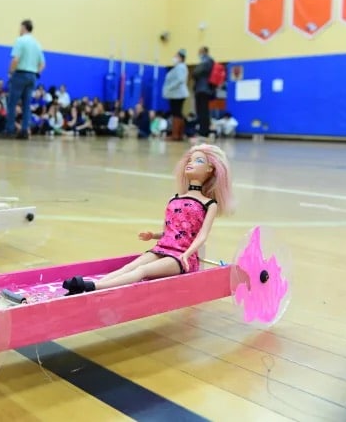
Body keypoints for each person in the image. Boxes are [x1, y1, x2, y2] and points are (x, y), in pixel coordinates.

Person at [62, 144, 233, 295]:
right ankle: (92, 284)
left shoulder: (209, 204)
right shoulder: (174, 198)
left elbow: (202, 237)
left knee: (143, 270)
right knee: (130, 266)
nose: (190, 163)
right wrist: (153, 235)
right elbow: (170, 232)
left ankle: (93, 288)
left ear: (211, 169)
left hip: (181, 257)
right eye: (190, 160)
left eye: (198, 161)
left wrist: (187, 254)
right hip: (162, 248)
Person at [0, 19, 45, 140]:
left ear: (24, 27)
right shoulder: (37, 44)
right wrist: (36, 74)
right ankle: (24, 130)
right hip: (32, 76)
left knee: (12, 103)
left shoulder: (20, 40)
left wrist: (10, 72)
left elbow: (15, 59)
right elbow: (43, 63)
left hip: (20, 74)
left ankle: (9, 130)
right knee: (26, 105)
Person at [162, 49, 189, 141]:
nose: (174, 58)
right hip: (175, 94)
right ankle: (178, 135)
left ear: (181, 58)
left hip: (178, 94)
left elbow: (180, 80)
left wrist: (169, 88)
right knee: (177, 113)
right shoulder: (178, 67)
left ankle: (176, 135)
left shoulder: (180, 67)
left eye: (176, 56)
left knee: (176, 113)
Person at [192, 46, 215, 142]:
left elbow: (196, 72)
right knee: (202, 111)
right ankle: (203, 131)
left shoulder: (207, 61)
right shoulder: (207, 61)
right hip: (202, 89)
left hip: (203, 90)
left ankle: (203, 132)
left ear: (205, 52)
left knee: (203, 112)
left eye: (200, 51)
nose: (199, 53)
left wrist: (195, 71)